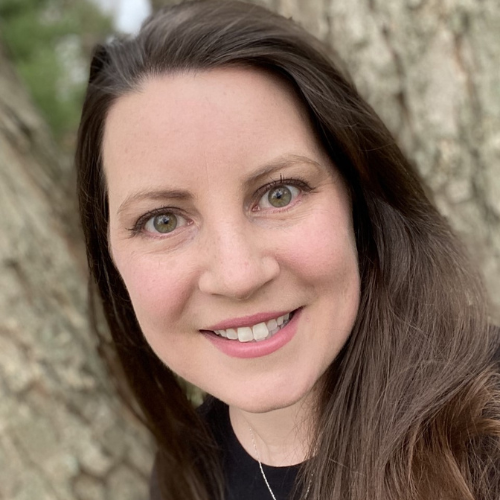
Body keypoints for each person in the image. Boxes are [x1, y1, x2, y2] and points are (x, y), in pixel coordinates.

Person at [75, 1, 500, 499]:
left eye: (280, 193)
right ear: (112, 261)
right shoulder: (185, 478)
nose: (238, 275)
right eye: (162, 220)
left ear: (359, 201)